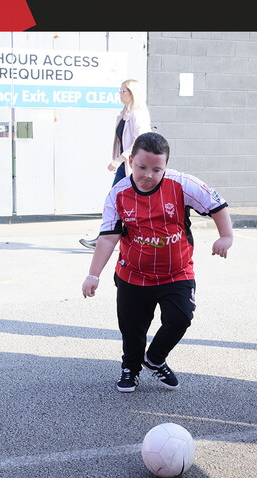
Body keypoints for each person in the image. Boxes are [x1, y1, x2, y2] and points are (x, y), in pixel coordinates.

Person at [81, 132, 233, 393]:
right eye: (142, 167)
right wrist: (93, 275)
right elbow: (107, 238)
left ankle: (155, 358)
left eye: (156, 169)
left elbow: (216, 205)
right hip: (133, 274)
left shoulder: (182, 184)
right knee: (132, 329)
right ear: (131, 161)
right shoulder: (118, 194)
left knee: (181, 318)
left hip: (177, 273)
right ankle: (130, 368)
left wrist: (226, 236)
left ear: (166, 166)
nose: (148, 175)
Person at [79, 79, 153, 249]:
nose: (120, 94)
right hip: (125, 166)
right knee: (118, 202)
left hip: (133, 166)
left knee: (117, 201)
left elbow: (140, 142)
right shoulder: (124, 114)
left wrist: (119, 159)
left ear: (132, 93)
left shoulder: (137, 115)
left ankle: (109, 239)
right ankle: (106, 239)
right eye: (120, 90)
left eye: (123, 91)